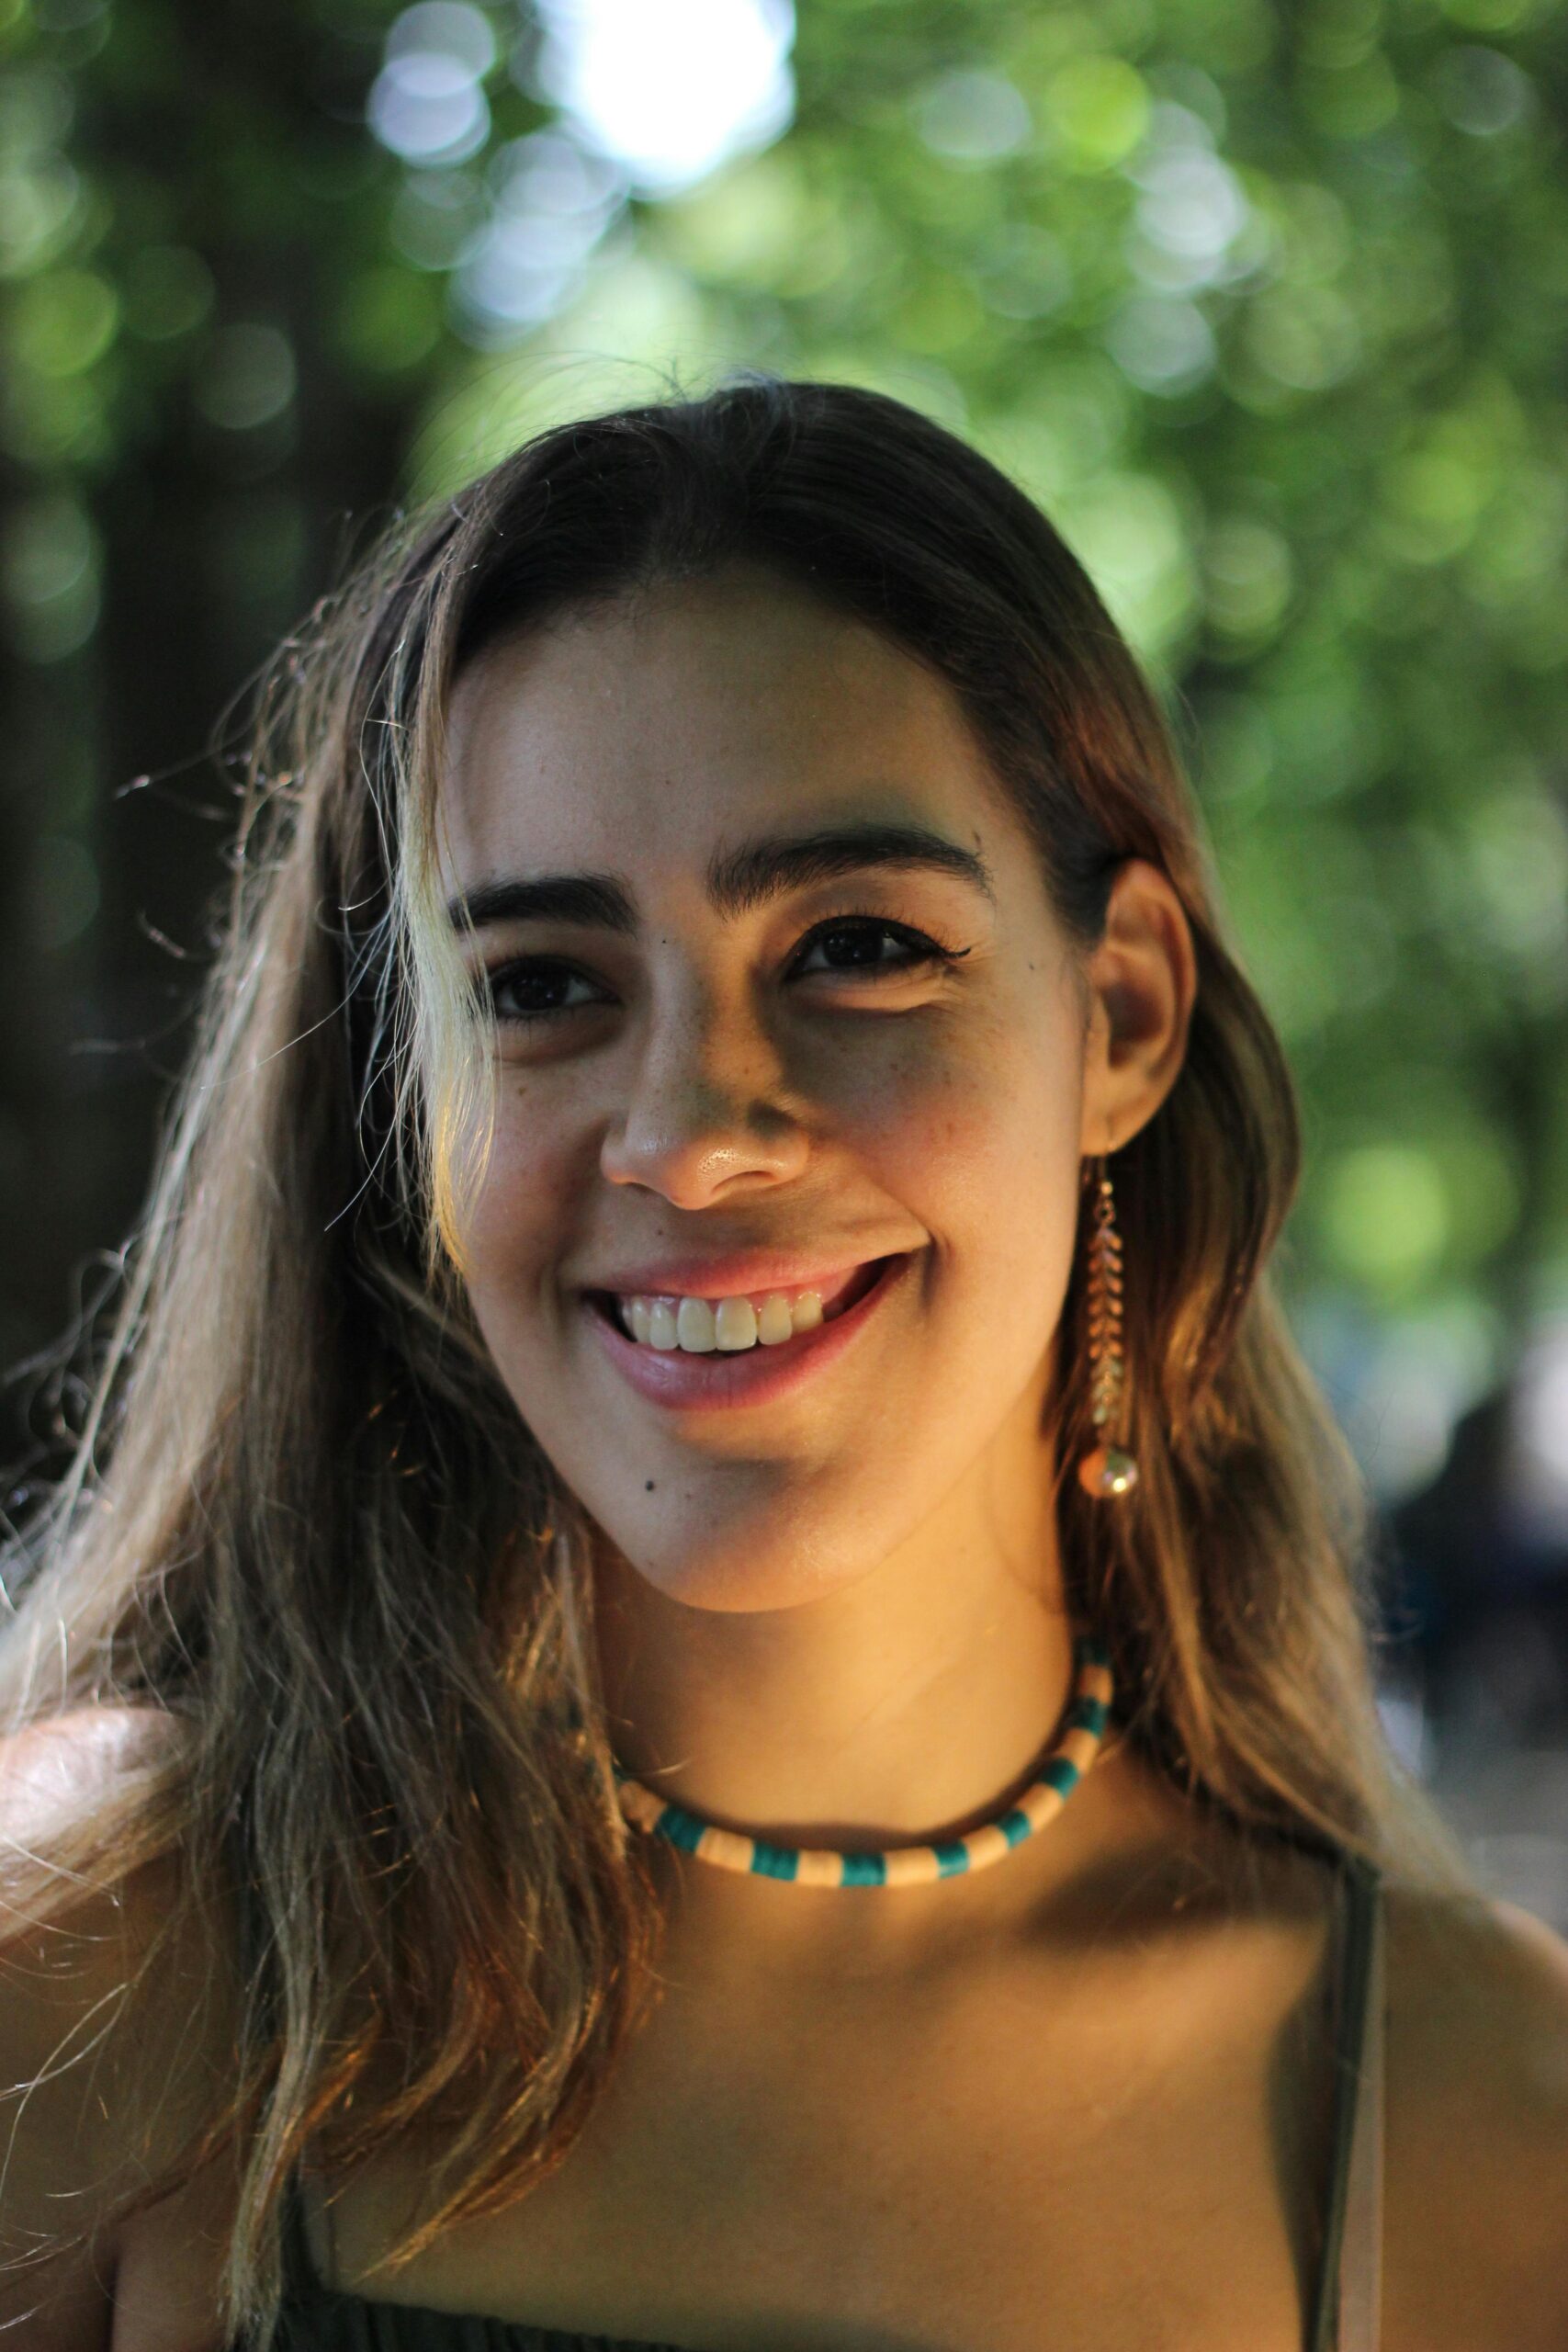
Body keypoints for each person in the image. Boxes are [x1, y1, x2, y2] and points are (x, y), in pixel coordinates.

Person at [1, 378, 1564, 2352]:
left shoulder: (1478, 2121)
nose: (689, 1130)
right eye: (546, 986)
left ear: (1124, 1012)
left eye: (854, 946)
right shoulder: (103, 1984)